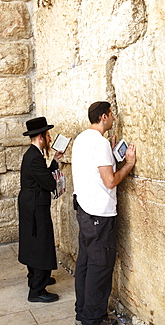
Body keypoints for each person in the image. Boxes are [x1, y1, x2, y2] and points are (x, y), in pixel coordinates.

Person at [71, 101, 136, 325]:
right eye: (111, 115)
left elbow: (94, 171)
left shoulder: (81, 139)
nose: (113, 118)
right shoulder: (99, 144)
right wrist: (128, 164)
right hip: (99, 213)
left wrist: (112, 154)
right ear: (104, 117)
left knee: (86, 264)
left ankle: (82, 312)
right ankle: (94, 319)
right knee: (100, 267)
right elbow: (110, 181)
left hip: (85, 210)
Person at [18, 117, 63, 303]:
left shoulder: (32, 154)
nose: (50, 138)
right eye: (47, 135)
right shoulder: (34, 157)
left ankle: (36, 277)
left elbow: (42, 175)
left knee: (34, 242)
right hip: (35, 206)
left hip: (32, 204)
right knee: (41, 244)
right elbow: (48, 182)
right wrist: (56, 179)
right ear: (40, 137)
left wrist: (54, 161)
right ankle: (37, 289)